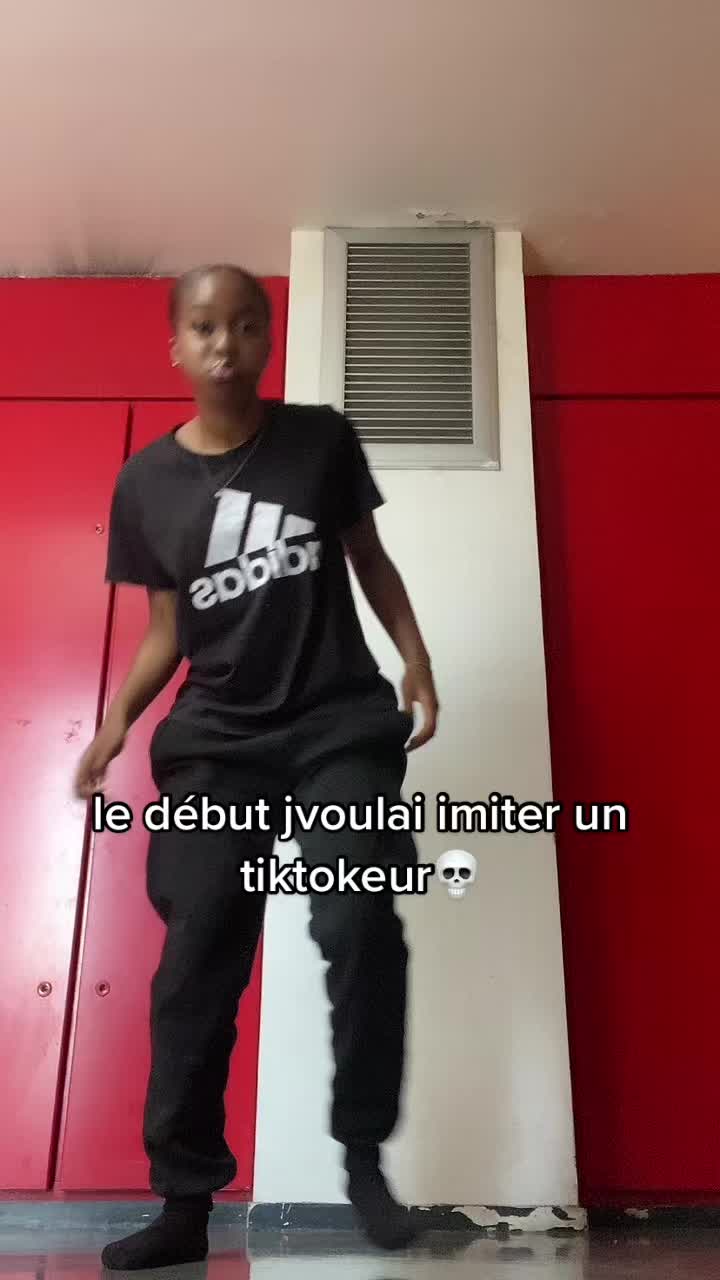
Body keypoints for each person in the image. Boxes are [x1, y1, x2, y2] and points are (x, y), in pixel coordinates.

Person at [74, 263, 439, 1270]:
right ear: (176, 346)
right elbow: (166, 628)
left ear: (267, 338)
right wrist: (116, 721)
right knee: (198, 953)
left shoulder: (320, 440)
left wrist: (414, 655)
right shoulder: (146, 483)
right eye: (204, 327)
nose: (224, 344)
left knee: (358, 918)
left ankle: (362, 1157)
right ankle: (184, 1201)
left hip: (335, 721)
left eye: (243, 325)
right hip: (217, 742)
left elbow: (369, 559)